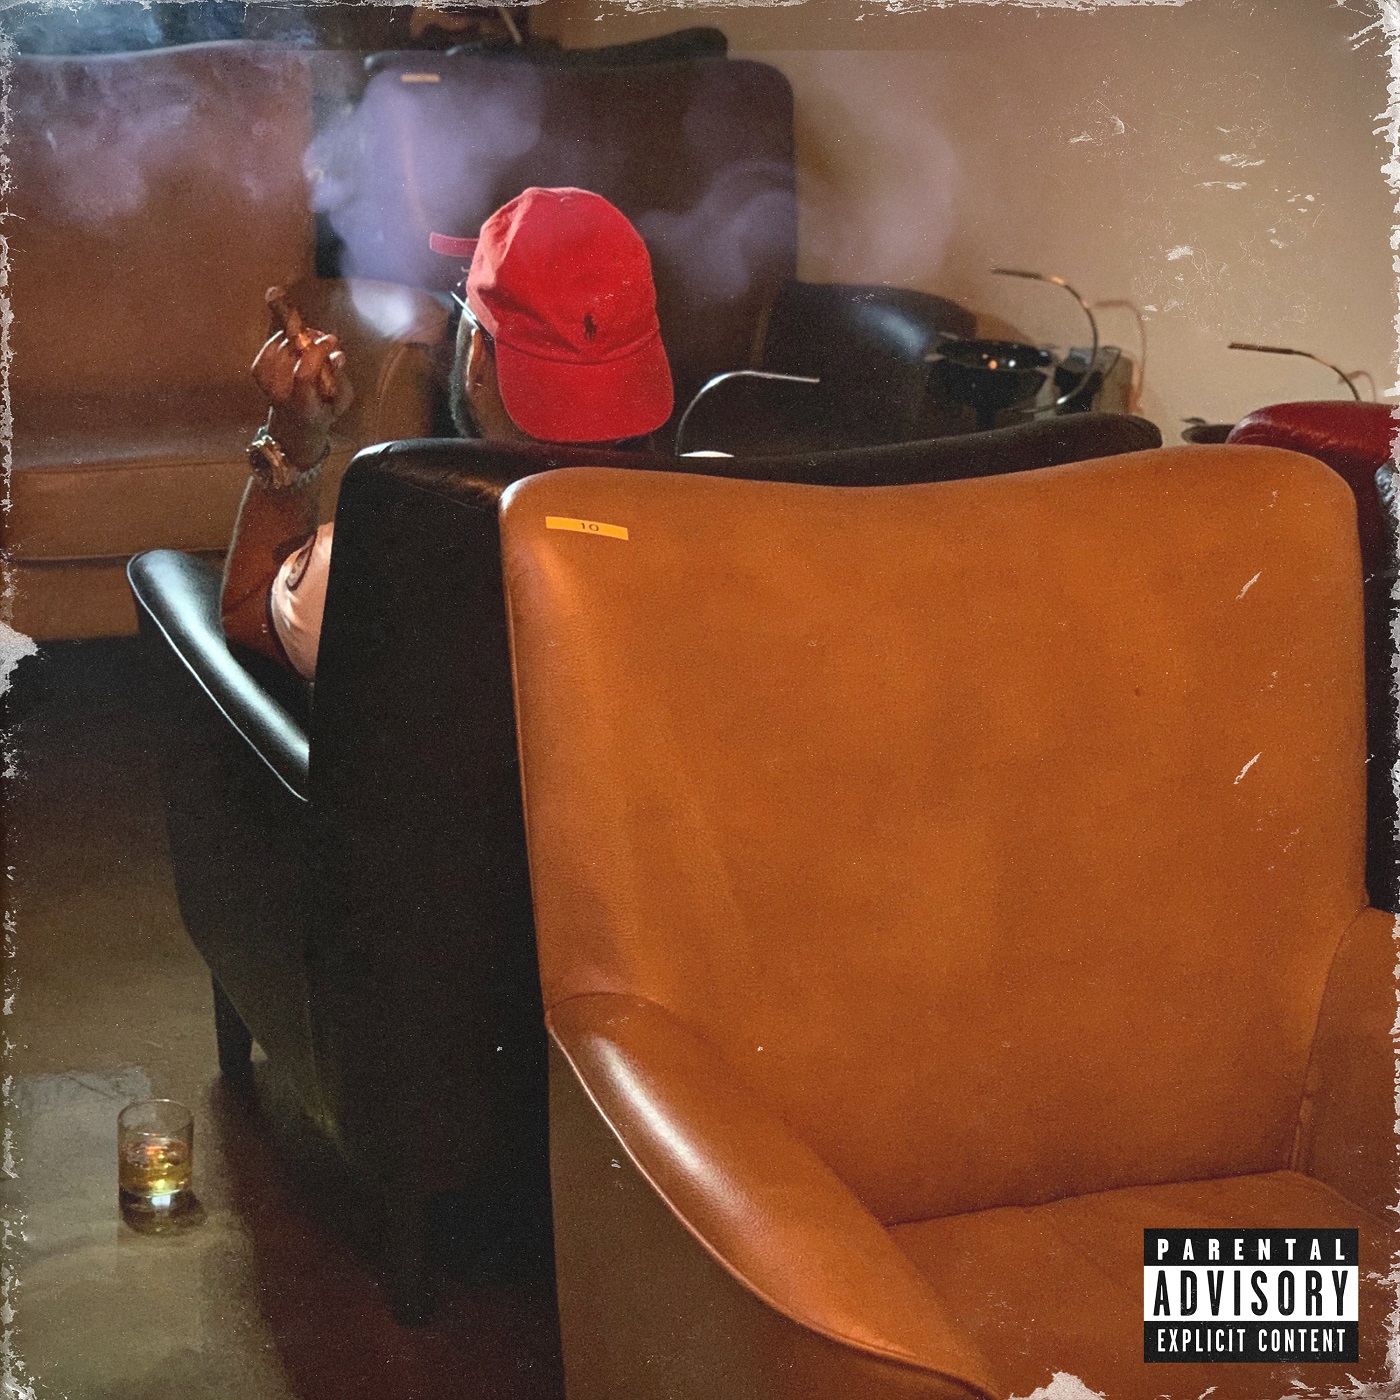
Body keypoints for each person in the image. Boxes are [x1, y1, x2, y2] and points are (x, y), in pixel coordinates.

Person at [220, 186, 674, 679]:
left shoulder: (387, 542)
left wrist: (291, 441)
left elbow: (247, 614)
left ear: (477, 357)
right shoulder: (726, 518)